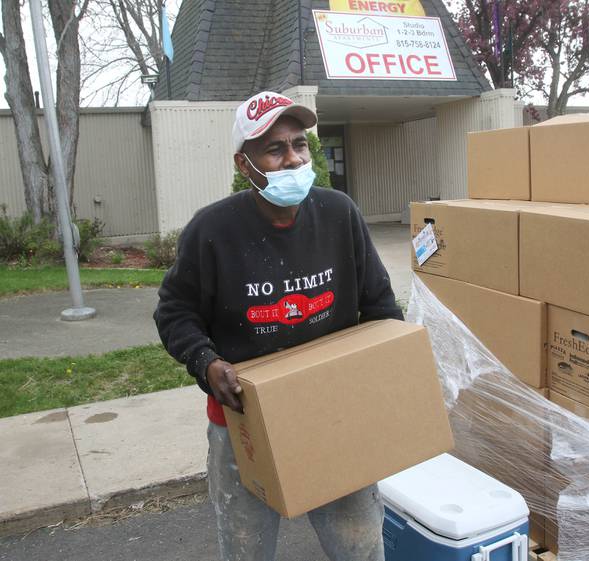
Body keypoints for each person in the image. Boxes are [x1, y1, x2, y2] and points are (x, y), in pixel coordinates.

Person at [153, 90, 403, 561]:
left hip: (334, 413)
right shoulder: (212, 232)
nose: (292, 159)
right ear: (244, 164)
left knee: (360, 545)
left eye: (300, 145)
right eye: (274, 148)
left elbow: (380, 305)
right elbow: (174, 312)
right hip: (245, 421)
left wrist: (385, 377)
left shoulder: (339, 214)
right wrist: (206, 363)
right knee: (247, 550)